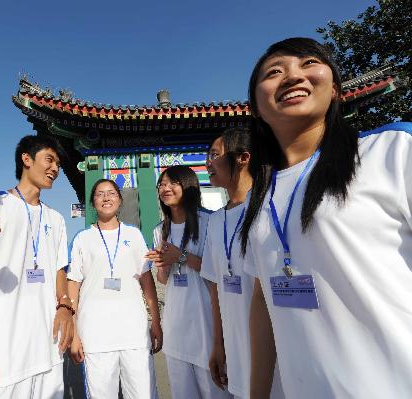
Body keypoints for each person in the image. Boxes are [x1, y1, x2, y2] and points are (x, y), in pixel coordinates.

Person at [239, 37, 412, 399]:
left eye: (308, 64)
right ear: (255, 106)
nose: (292, 76)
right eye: (274, 72)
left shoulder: (392, 151)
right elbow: (263, 302)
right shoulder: (261, 200)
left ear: (334, 88)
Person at [0, 135, 74, 399]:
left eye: (58, 163)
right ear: (26, 159)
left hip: (48, 353)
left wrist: (65, 305)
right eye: (49, 159)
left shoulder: (56, 219)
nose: (55, 168)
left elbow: (59, 270)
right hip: (3, 356)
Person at [200, 127, 284, 399]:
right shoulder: (214, 221)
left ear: (243, 158)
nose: (207, 163)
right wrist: (218, 343)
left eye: (214, 154)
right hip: (236, 350)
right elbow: (215, 287)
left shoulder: (270, 207)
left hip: (279, 354)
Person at [67, 178, 162, 399]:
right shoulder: (82, 239)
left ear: (119, 199)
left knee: (143, 394)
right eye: (100, 194)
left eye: (111, 193)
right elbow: (73, 285)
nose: (106, 198)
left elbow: (146, 282)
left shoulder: (134, 235)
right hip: (95, 334)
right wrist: (74, 333)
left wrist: (156, 321)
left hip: (134, 333)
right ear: (92, 202)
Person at [145, 165, 230, 399]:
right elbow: (164, 280)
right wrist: (163, 265)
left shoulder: (210, 222)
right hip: (177, 327)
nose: (165, 188)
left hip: (207, 325)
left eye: (172, 183)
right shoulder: (159, 230)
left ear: (188, 185)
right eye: (161, 184)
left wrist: (180, 256)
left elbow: (220, 273)